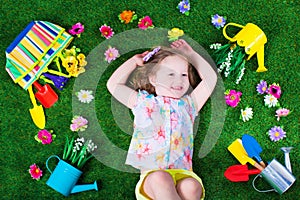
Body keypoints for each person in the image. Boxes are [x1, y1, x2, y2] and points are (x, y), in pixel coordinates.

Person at [107, 39, 217, 200]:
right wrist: (133, 62)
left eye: (184, 75)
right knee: (161, 178)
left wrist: (191, 55)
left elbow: (210, 79)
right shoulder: (142, 102)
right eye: (170, 74)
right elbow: (113, 85)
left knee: (191, 186)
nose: (179, 80)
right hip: (152, 178)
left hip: (184, 173)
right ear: (153, 78)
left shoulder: (189, 105)